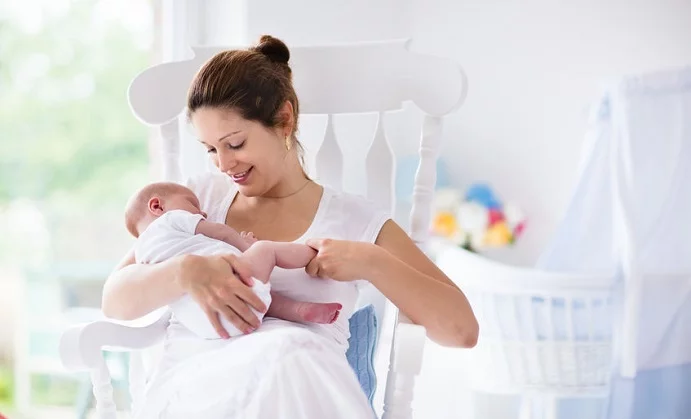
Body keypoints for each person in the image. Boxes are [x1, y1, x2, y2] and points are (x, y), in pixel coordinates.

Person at [102, 35, 479, 418]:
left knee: (289, 356)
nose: (223, 164)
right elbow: (115, 300)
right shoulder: (195, 203)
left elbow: (461, 331)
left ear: (284, 119)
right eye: (211, 149)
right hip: (200, 392)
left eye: (235, 143)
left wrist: (372, 262)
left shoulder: (355, 221)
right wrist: (185, 271)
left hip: (299, 389)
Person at [124, 181, 342, 339]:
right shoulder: (171, 219)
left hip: (208, 326)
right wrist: (245, 245)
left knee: (261, 297)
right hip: (235, 292)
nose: (202, 212)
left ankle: (300, 310)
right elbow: (221, 232)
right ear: (157, 206)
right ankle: (317, 254)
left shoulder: (143, 257)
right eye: (192, 203)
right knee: (266, 250)